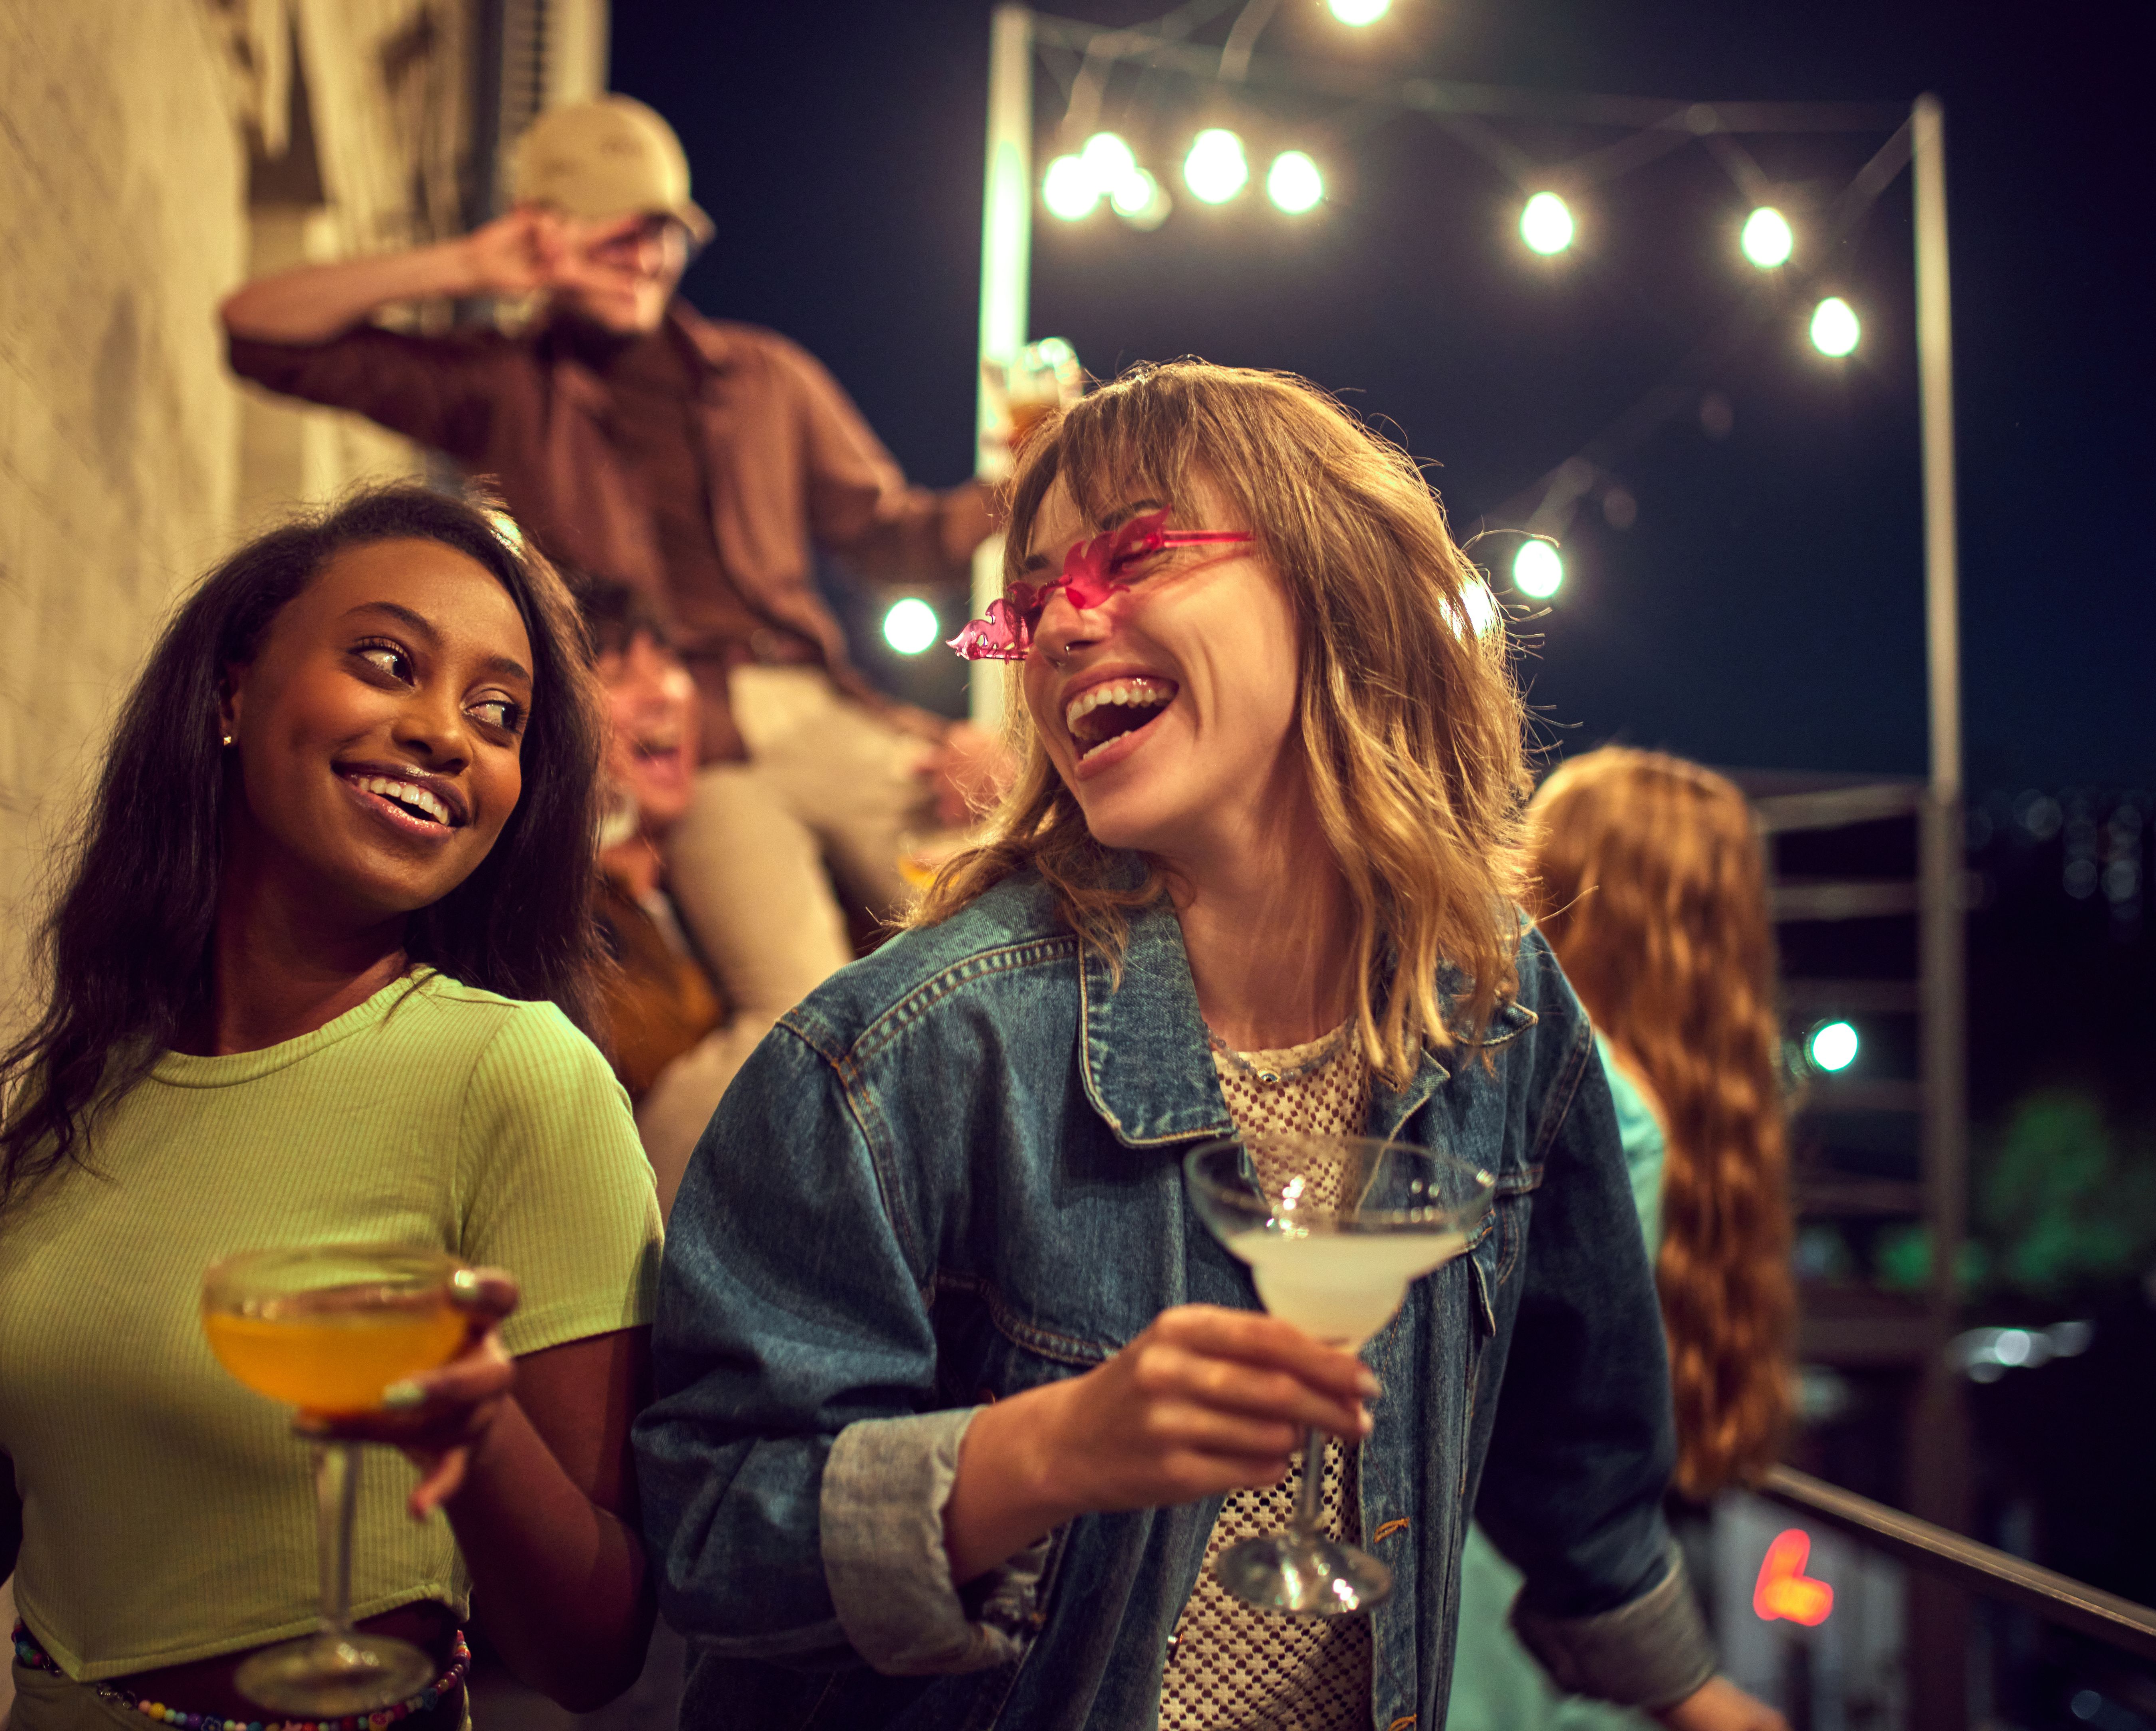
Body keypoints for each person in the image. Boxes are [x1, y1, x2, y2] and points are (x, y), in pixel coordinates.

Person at [633, 361, 1785, 1731]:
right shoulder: (903, 1055)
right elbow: (706, 1528)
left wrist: (1692, 1691)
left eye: (1138, 553)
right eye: (1031, 596)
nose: (1061, 621)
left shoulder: (1496, 1003)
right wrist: (1042, 1450)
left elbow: (1574, 1448)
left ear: (1333, 583)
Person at [0, 486, 663, 1728]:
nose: (445, 734)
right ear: (231, 695)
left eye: (498, 714)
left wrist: (473, 1436)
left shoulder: (520, 1073)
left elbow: (596, 1655)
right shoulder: (90, 1080)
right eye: (386, 661)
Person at [218, 95, 1009, 1025]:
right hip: (681, 746)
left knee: (1005, 920)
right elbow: (259, 330)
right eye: (614, 235)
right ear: (545, 237)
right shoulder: (504, 386)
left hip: (812, 704)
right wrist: (470, 264)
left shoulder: (765, 377)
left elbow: (892, 539)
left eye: (663, 233)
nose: (643, 256)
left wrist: (1016, 486)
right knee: (800, 1018)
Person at [1451, 746, 1797, 1728]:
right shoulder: (1674, 1107)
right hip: (1566, 1625)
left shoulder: (1563, 1084)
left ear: (1560, 885)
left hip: (1489, 1612)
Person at [573, 571, 790, 1214]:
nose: (662, 694)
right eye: (615, 674)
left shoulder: (714, 904)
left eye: (668, 662)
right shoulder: (558, 916)